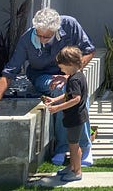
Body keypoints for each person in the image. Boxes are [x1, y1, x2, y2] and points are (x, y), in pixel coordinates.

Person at [0, 8, 96, 166]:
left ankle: (84, 147)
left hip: (69, 73)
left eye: (47, 36)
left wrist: (70, 74)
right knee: (60, 88)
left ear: (56, 30)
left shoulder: (70, 25)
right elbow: (8, 73)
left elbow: (89, 51)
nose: (42, 39)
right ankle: (62, 147)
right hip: (41, 76)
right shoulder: (26, 40)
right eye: (39, 35)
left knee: (76, 89)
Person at [43, 46, 89, 182]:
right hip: (75, 117)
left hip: (75, 118)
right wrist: (54, 100)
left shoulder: (74, 80)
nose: (61, 70)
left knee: (74, 146)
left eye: (62, 68)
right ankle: (72, 166)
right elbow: (68, 95)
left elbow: (76, 99)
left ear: (70, 64)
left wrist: (58, 108)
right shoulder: (77, 76)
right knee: (72, 144)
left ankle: (77, 172)